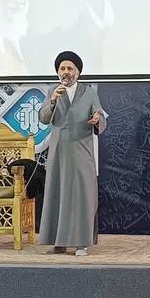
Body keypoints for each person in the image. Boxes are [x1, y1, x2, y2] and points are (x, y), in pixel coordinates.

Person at [38, 51, 106, 256]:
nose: (65, 72)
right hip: (59, 153)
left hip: (81, 151)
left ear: (78, 72)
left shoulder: (88, 92)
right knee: (58, 195)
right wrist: (52, 100)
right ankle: (58, 242)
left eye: (70, 68)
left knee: (81, 196)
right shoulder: (52, 91)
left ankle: (81, 243)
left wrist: (97, 119)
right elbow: (43, 118)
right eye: (62, 69)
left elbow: (100, 115)